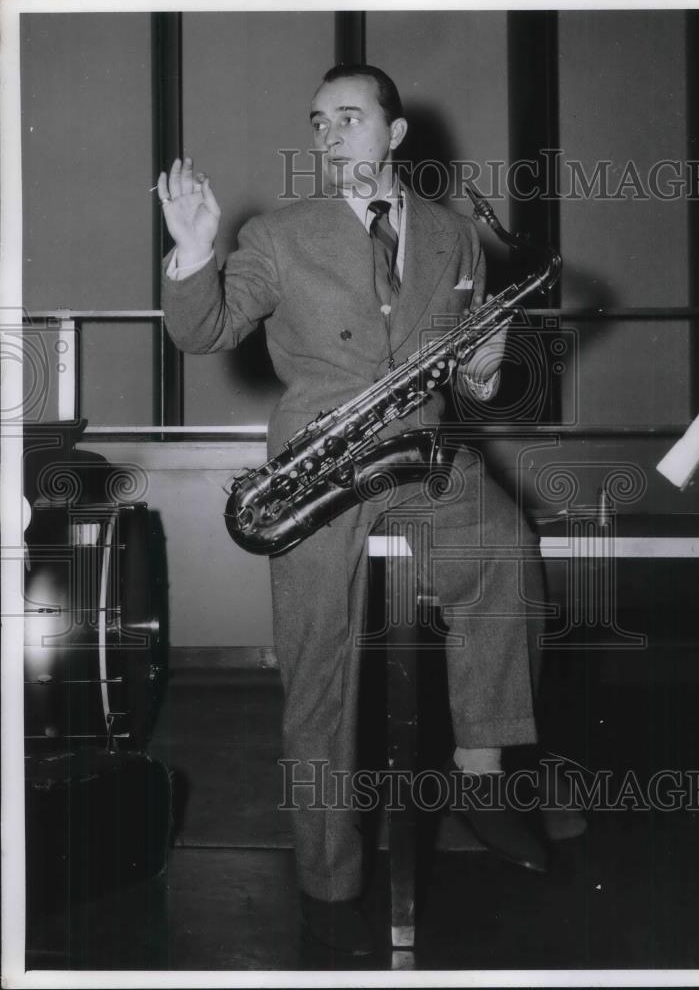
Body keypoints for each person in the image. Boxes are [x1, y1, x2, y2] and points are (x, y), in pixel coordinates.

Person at [158, 63, 558, 956]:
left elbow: (467, 373)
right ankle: (327, 872)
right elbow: (205, 331)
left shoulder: (456, 235)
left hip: (420, 450)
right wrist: (192, 253)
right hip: (317, 463)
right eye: (318, 121)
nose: (329, 133)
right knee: (319, 669)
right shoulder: (277, 232)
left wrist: (485, 367)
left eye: (349, 117)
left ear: (395, 132)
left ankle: (481, 772)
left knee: (505, 544)